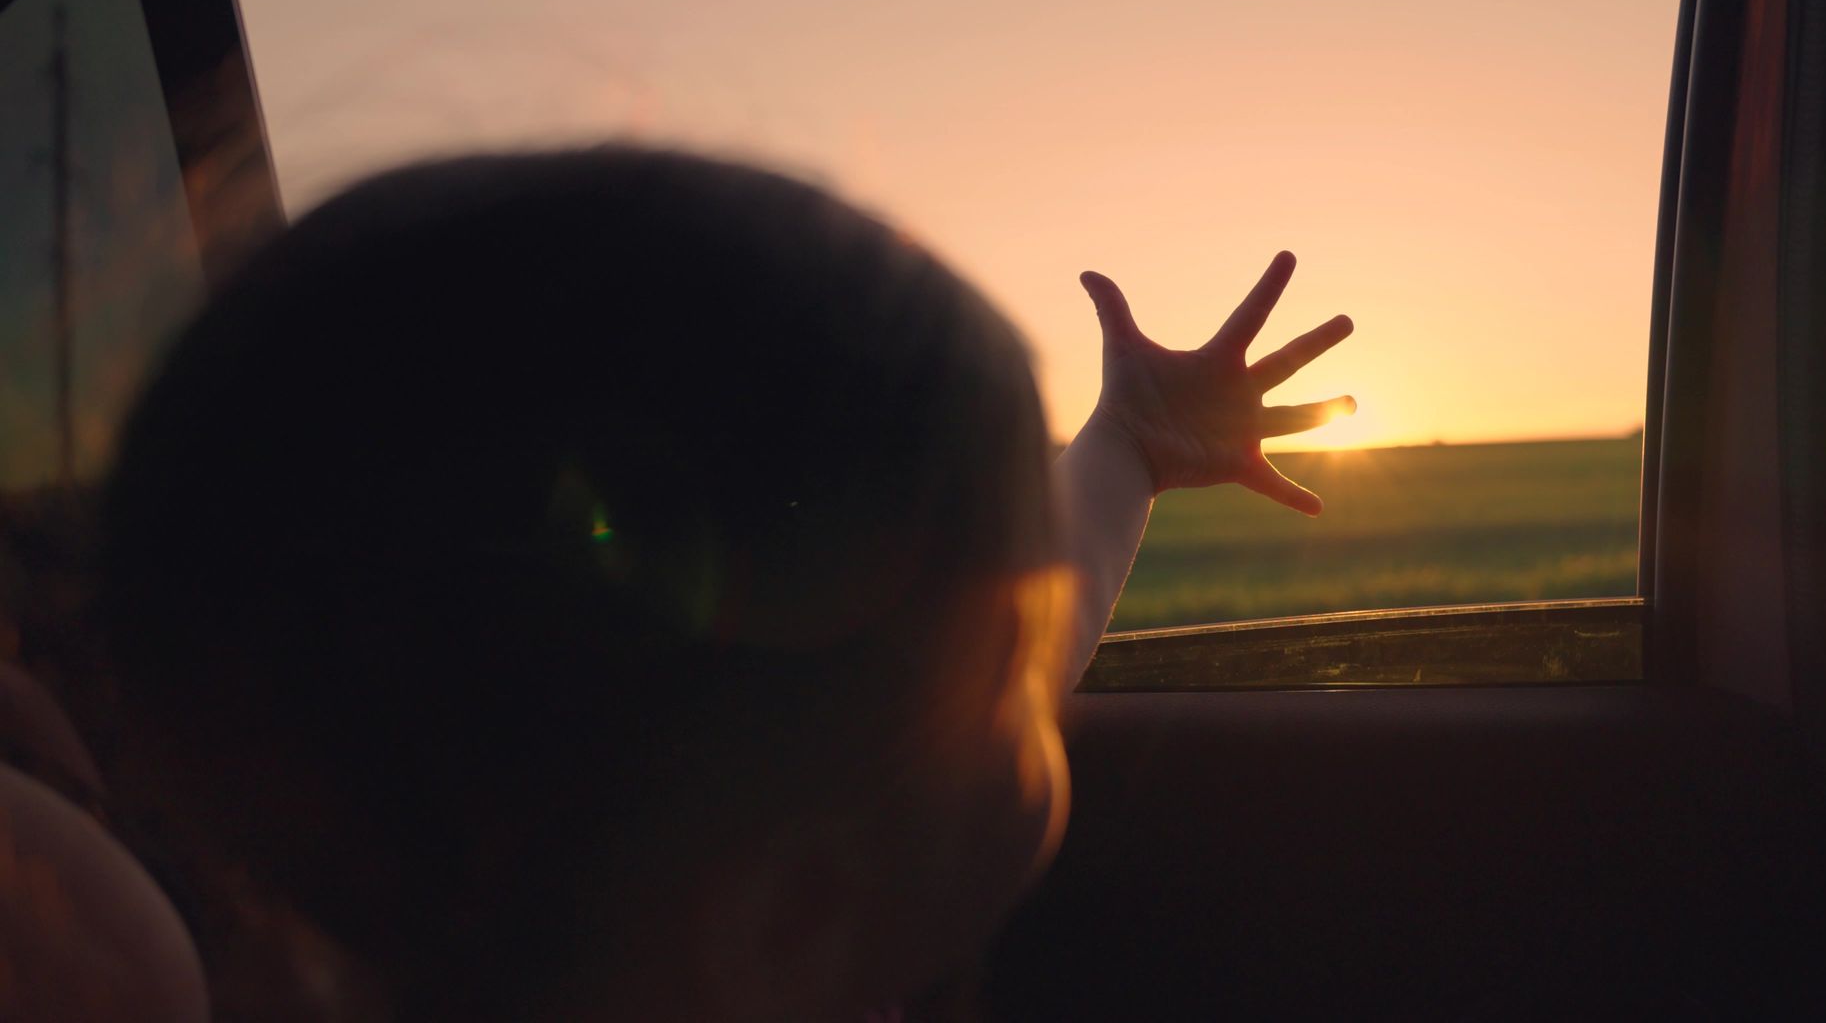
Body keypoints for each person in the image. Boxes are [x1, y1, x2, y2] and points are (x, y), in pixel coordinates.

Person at [99, 147, 1353, 1020]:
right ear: (795, 913)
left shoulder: (715, 922)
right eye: (1007, 686)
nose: (1048, 661)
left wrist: (1125, 457)